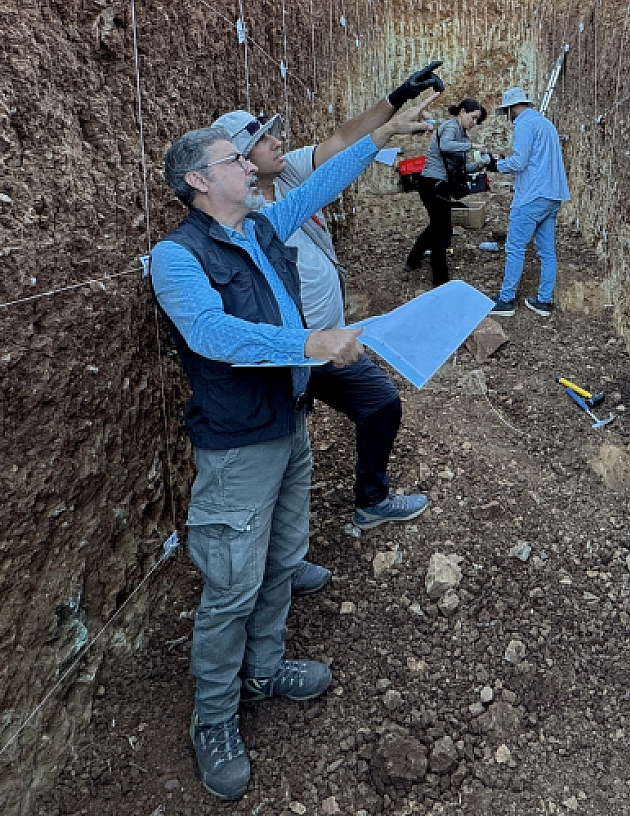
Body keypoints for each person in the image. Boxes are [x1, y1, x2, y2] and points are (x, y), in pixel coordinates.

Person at [150, 83, 434, 803]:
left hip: (288, 425)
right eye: (232, 158)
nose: (250, 163)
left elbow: (324, 178)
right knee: (231, 586)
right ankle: (214, 717)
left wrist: (383, 136)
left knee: (280, 560)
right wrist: (309, 341)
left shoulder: (263, 227)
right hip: (239, 444)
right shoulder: (176, 257)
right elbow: (212, 336)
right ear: (197, 180)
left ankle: (266, 666)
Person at [214, 65, 441, 548]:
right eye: (262, 139)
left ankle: (353, 511)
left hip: (328, 334)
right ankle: (334, 525)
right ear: (238, 161)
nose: (277, 141)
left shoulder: (290, 172)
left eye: (274, 134)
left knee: (358, 415)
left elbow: (343, 139)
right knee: (369, 408)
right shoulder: (242, 212)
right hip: (301, 344)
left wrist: (396, 97)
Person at [483, 86, 570, 317]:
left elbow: (520, 162)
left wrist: (495, 165)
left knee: (515, 247)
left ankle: (506, 299)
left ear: (512, 108)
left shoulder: (524, 124)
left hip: (532, 195)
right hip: (553, 194)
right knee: (547, 252)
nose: (508, 118)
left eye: (507, 112)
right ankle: (544, 300)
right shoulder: (546, 124)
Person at [406, 97, 487, 285]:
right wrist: (473, 146)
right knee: (442, 230)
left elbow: (462, 165)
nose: (474, 123)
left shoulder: (462, 134)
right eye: (473, 118)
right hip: (432, 183)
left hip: (439, 185)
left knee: (436, 225)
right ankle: (440, 279)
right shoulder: (451, 127)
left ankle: (413, 260)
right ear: (462, 112)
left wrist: (483, 164)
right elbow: (445, 146)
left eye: (477, 120)